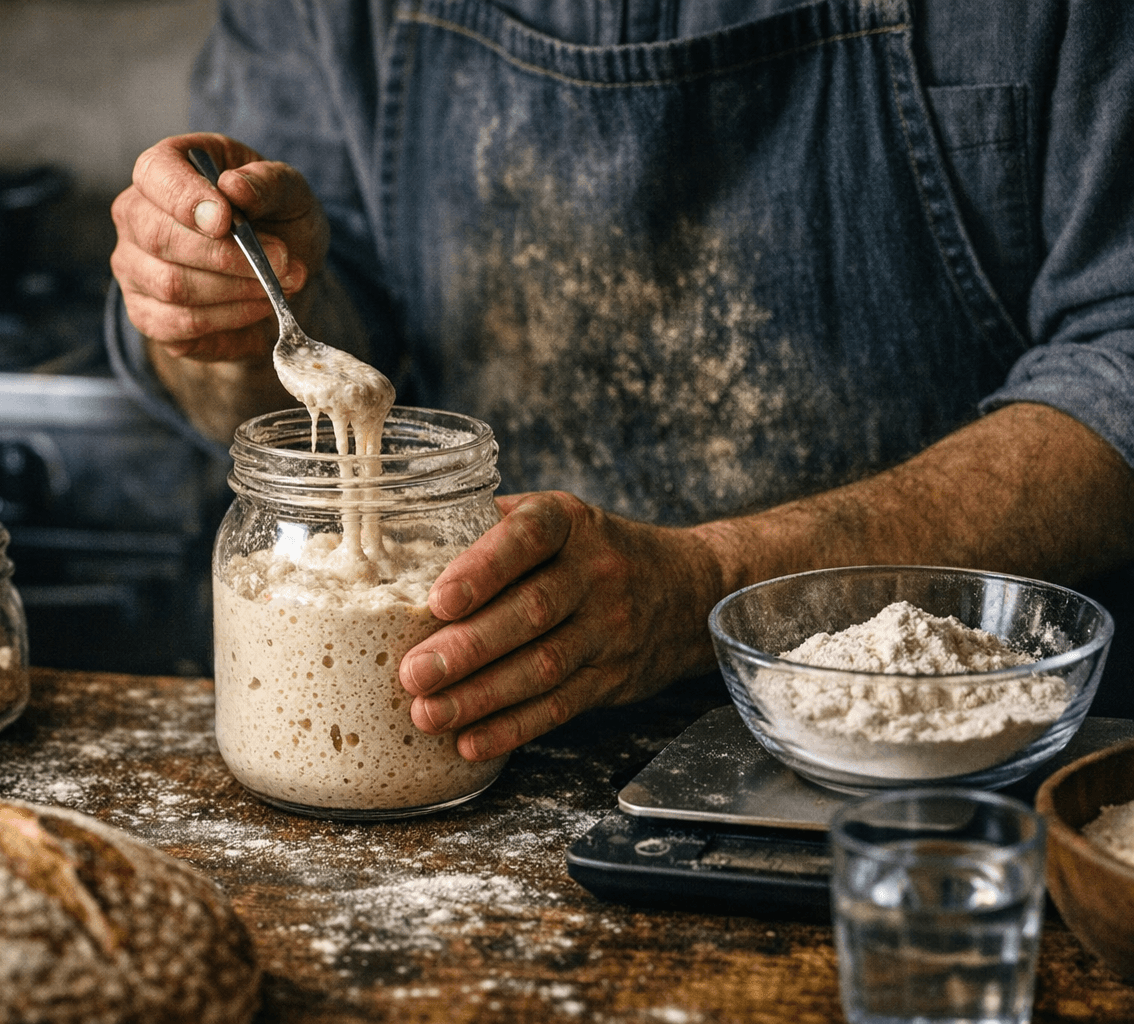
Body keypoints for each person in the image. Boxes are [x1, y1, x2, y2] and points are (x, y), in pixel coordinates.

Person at [107, 0, 1134, 763]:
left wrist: (710, 588)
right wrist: (224, 319)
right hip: (477, 748)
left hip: (931, 754)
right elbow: (270, 394)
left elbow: (1119, 359)